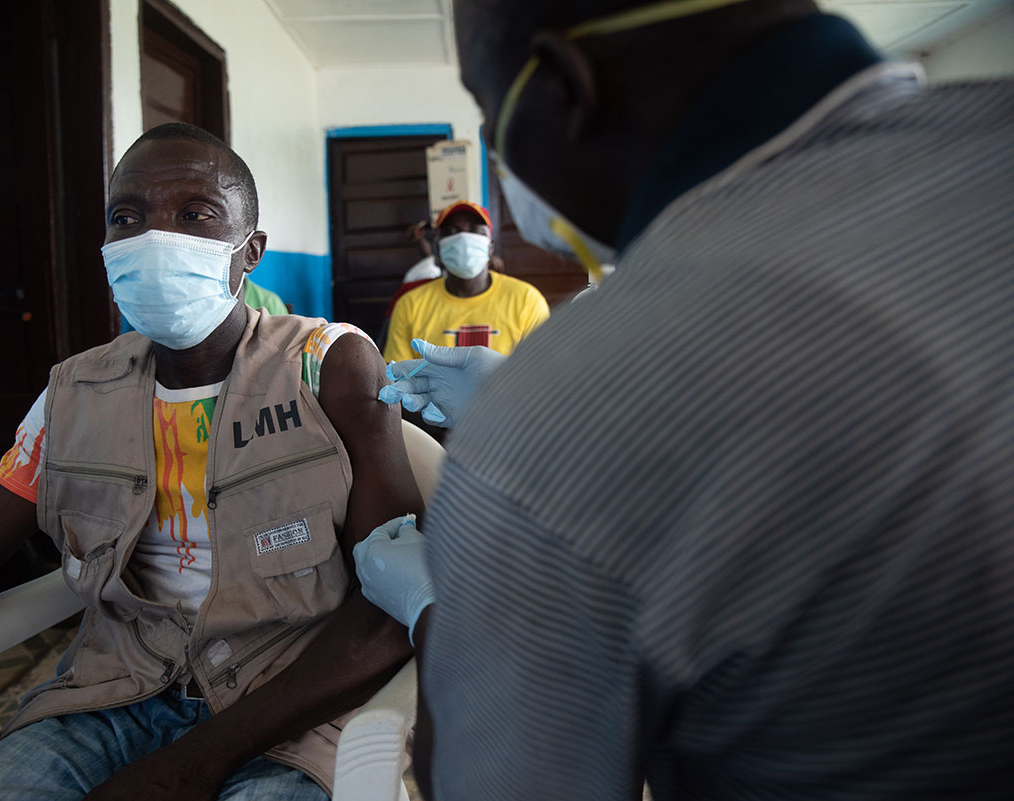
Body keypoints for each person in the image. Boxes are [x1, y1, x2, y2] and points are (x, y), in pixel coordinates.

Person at [356, 1, 1014, 799]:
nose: (494, 147)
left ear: (567, 88)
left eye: (490, 112)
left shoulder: (554, 415)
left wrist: (437, 606)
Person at [0, 122, 423, 801]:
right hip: (113, 695)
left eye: (195, 213)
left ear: (249, 252)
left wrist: (192, 763)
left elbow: (394, 599)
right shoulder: (74, 394)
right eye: (126, 216)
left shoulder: (326, 364)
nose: (155, 237)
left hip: (290, 706)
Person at [382, 201, 549, 363]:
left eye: (476, 231)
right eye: (451, 231)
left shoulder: (527, 301)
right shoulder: (410, 305)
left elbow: (542, 372)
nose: (463, 238)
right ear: (438, 247)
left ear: (490, 248)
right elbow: (397, 375)